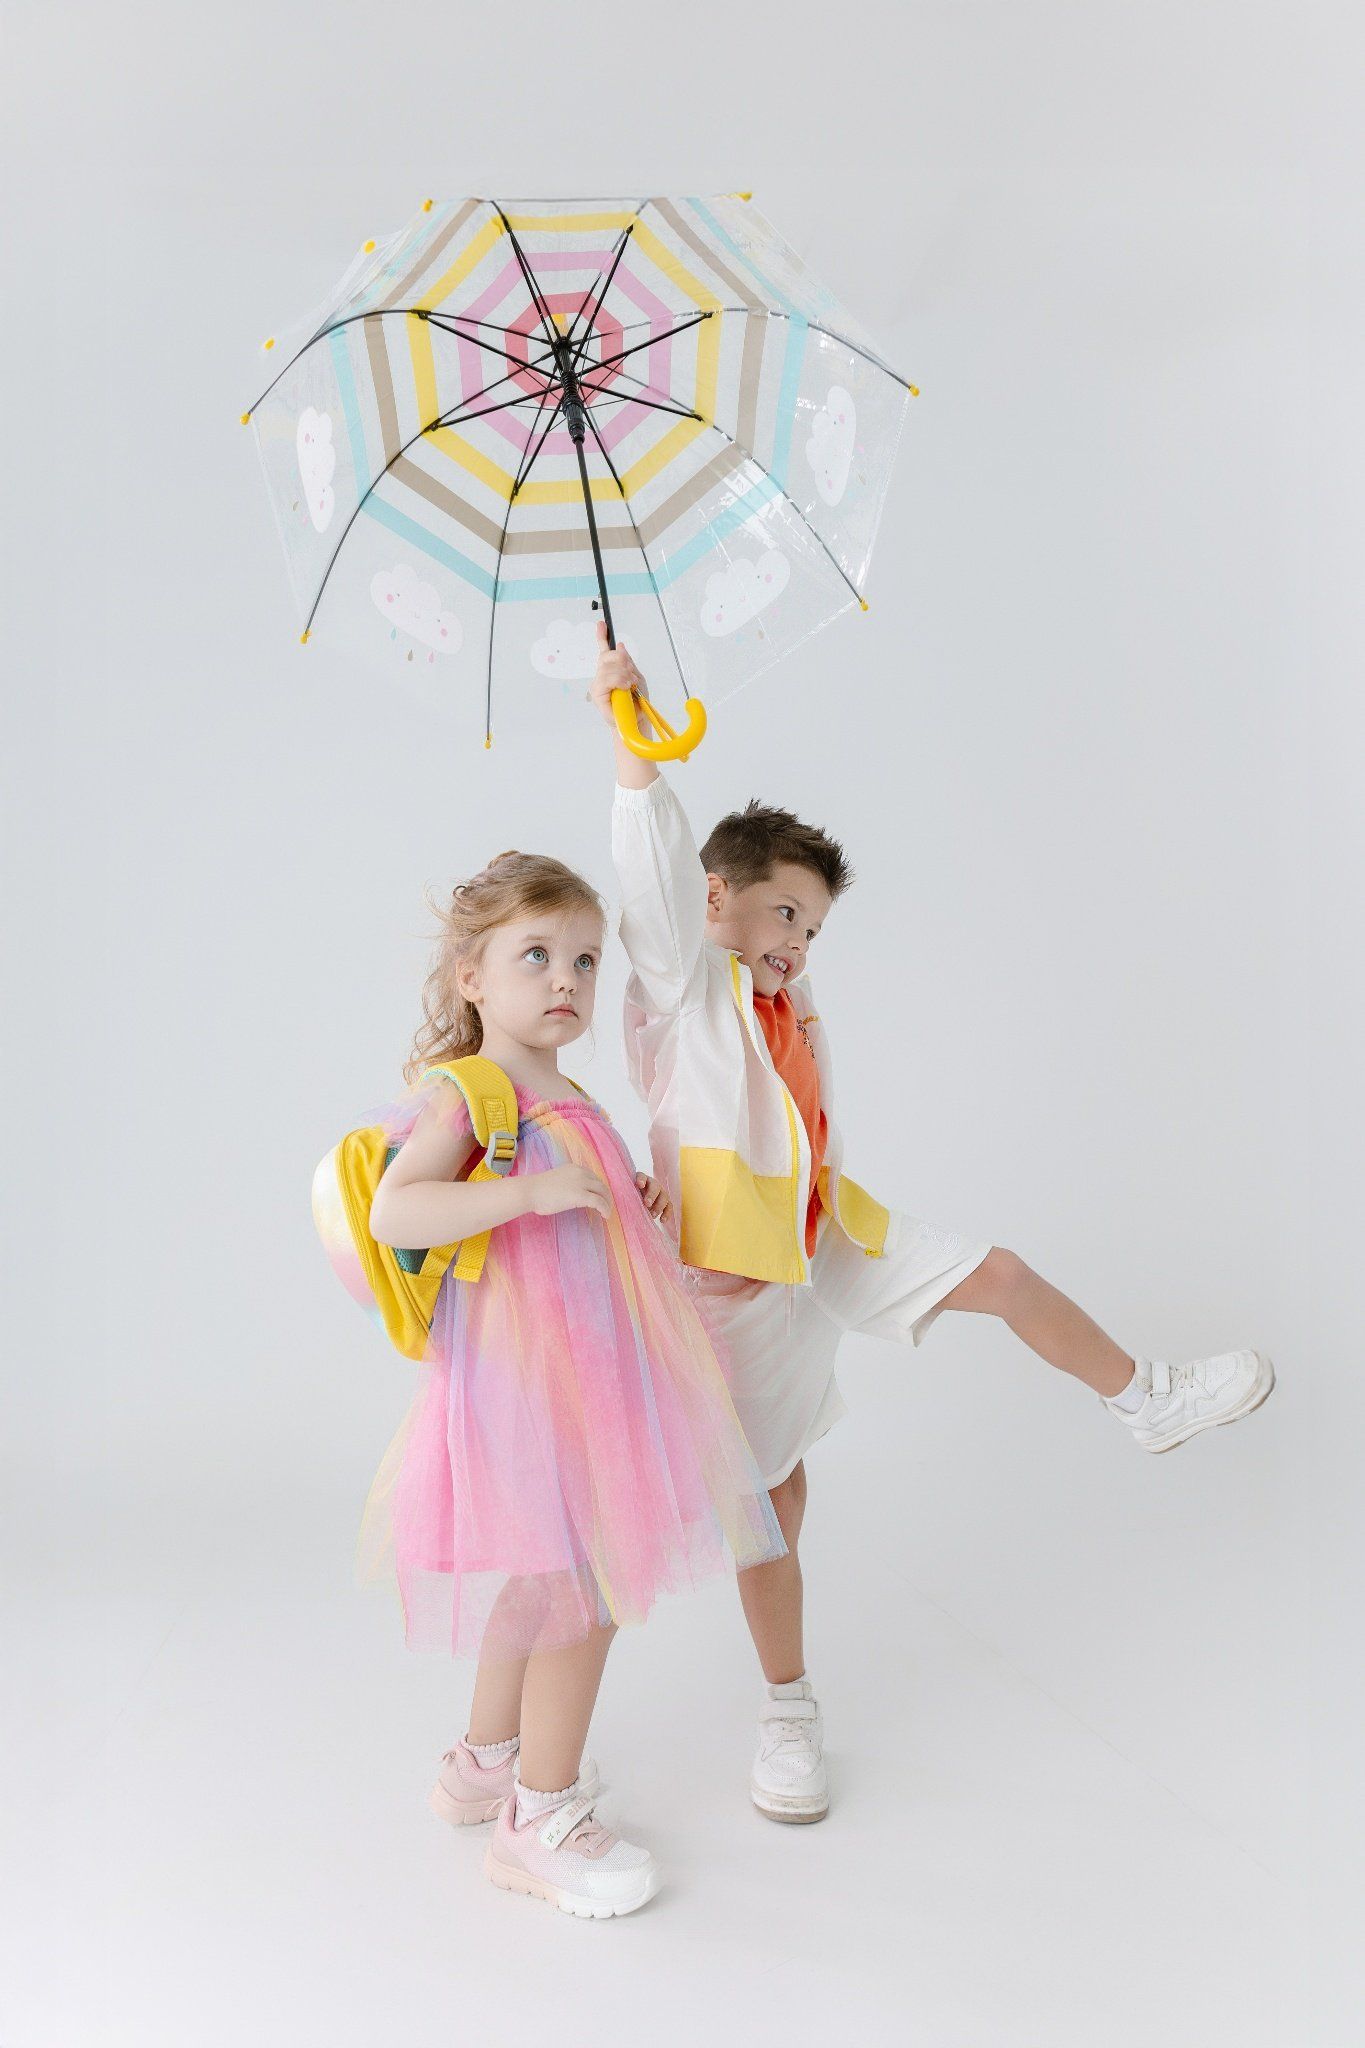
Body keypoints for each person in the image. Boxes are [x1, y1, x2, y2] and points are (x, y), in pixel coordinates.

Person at [589, 623, 1275, 1826]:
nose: (800, 941)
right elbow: (648, 881)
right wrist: (631, 740)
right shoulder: (687, 985)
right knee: (768, 1511)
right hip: (728, 1288)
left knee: (999, 1271)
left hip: (824, 1237)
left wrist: (792, 964)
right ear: (717, 901)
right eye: (785, 912)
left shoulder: (785, 993)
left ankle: (1145, 1397)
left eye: (814, 926)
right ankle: (778, 1708)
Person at [357, 847, 785, 1915]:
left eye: (586, 960)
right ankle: (538, 1820)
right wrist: (530, 1195)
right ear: (470, 975)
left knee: (549, 1568)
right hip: (530, 1382)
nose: (566, 979)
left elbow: (578, 1217)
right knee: (584, 1584)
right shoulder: (474, 1090)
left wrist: (621, 1194)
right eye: (536, 955)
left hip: (593, 1375)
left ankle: (484, 1763)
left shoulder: (565, 1092)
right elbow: (397, 1209)